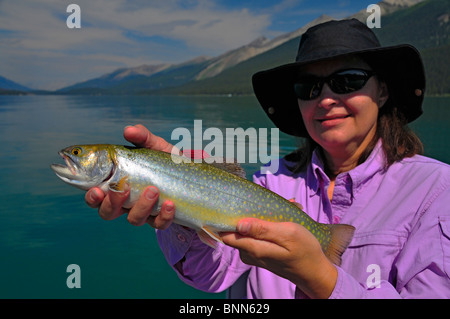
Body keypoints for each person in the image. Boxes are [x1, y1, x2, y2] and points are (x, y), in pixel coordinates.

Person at [85, 19, 450, 298]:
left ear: (383, 91)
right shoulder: (269, 181)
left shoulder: (436, 191)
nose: (324, 99)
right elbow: (213, 275)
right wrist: (183, 200)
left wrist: (321, 278)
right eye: (308, 87)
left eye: (348, 80)